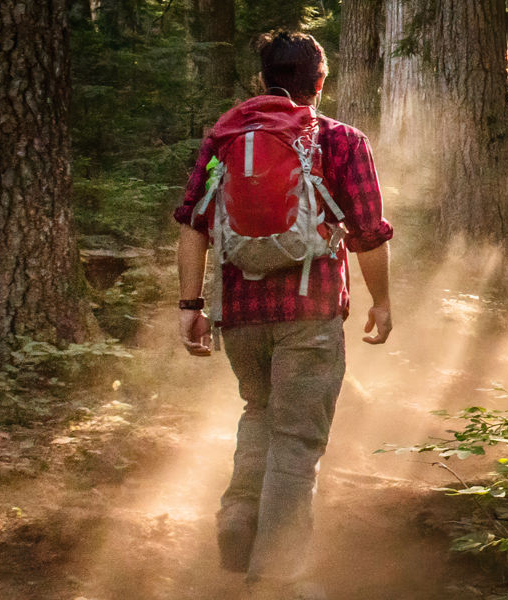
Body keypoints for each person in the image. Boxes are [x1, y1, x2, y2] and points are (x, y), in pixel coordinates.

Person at [172, 30, 393, 599]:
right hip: (311, 311)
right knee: (297, 440)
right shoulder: (341, 140)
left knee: (259, 411)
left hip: (240, 312)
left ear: (262, 81)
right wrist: (381, 303)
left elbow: (193, 226)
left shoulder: (224, 139)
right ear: (319, 82)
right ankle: (278, 578)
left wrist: (190, 306)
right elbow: (369, 231)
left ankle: (239, 518)